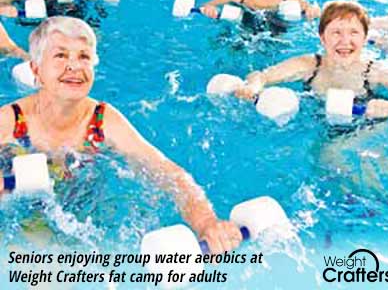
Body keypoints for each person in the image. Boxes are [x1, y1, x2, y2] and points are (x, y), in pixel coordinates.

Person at [0, 16, 241, 253]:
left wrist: (206, 222)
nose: (74, 66)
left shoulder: (103, 120)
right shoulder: (10, 121)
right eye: (60, 55)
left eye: (83, 56)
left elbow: (168, 173)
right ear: (36, 69)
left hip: (79, 213)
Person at [236, 0, 388, 118]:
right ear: (322, 38)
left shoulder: (376, 70)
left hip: (369, 125)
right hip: (323, 126)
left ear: (364, 38)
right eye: (336, 32)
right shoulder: (310, 65)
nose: (345, 41)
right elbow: (261, 76)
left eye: (354, 33)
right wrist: (252, 87)